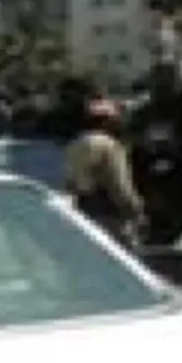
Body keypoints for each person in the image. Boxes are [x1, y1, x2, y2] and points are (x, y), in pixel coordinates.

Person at [65, 99, 147, 251]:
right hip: (107, 212)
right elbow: (119, 185)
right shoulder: (109, 146)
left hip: (81, 210)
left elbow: (70, 181)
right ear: (107, 121)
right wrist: (136, 209)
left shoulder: (76, 144)